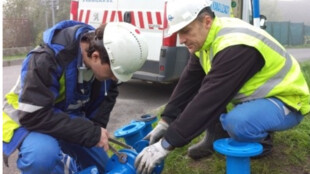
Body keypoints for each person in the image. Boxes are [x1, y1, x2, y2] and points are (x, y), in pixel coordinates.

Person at [134, 0, 310, 173]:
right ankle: (216, 137)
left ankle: (263, 141)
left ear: (207, 21)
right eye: (178, 33)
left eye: (186, 31)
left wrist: (167, 144)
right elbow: (188, 84)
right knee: (205, 90)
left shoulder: (235, 46)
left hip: (288, 100)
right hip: (259, 98)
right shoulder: (206, 39)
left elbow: (209, 100)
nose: (182, 39)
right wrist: (166, 121)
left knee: (237, 122)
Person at [3, 20, 148, 173]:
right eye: (113, 73)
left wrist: (95, 129)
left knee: (104, 167)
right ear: (96, 56)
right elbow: (34, 115)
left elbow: (108, 96)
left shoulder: (107, 56)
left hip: (61, 116)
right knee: (42, 157)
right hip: (28, 118)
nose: (114, 79)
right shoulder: (47, 58)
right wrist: (87, 132)